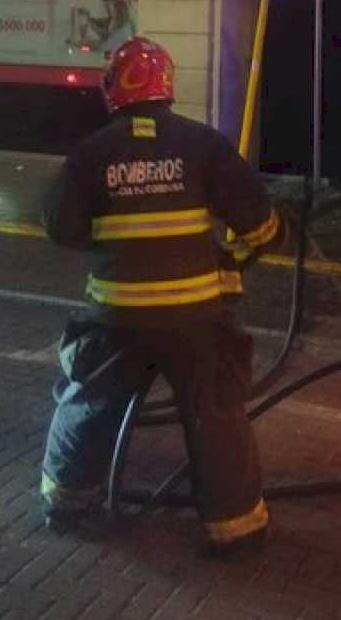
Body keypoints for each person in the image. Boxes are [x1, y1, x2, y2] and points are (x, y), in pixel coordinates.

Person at [40, 36, 282, 554]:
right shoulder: (204, 145)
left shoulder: (91, 153)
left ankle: (66, 500)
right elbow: (261, 224)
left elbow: (59, 226)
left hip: (117, 317)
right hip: (196, 318)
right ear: (166, 86)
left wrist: (108, 240)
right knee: (215, 414)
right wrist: (233, 256)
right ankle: (234, 528)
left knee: (89, 399)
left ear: (114, 89)